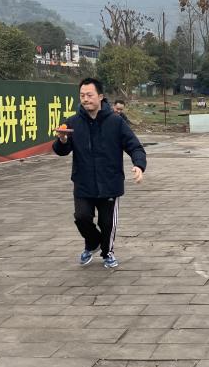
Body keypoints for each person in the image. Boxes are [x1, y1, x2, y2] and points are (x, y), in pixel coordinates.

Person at [53, 78, 146, 269]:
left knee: (107, 223)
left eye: (89, 95)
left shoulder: (116, 122)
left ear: (100, 96)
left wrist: (139, 165)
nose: (85, 99)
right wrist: (62, 140)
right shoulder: (73, 122)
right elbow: (62, 151)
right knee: (81, 217)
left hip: (109, 182)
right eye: (82, 95)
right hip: (83, 182)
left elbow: (135, 146)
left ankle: (107, 252)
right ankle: (93, 243)